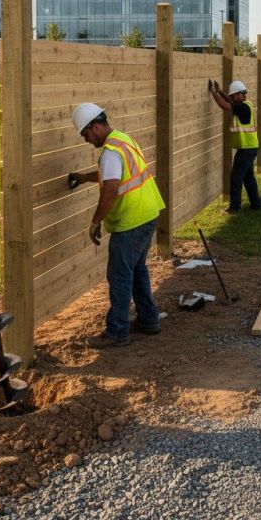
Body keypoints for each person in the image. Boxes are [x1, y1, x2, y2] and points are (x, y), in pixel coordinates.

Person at [68, 103, 165, 349]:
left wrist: (95, 221)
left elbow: (111, 187)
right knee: (137, 270)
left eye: (86, 134)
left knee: (119, 276)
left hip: (130, 221)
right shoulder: (123, 139)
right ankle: (149, 320)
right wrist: (83, 178)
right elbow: (111, 174)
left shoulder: (110, 151)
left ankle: (117, 331)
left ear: (96, 127)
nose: (87, 140)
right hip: (147, 212)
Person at [209, 79, 261, 214]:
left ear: (240, 94)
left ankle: (234, 207)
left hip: (247, 150)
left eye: (233, 95)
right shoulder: (245, 104)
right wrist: (220, 91)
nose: (232, 98)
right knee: (248, 178)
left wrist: (213, 93)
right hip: (249, 148)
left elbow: (225, 106)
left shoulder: (241, 107)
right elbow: (230, 102)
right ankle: (256, 205)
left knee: (236, 177)